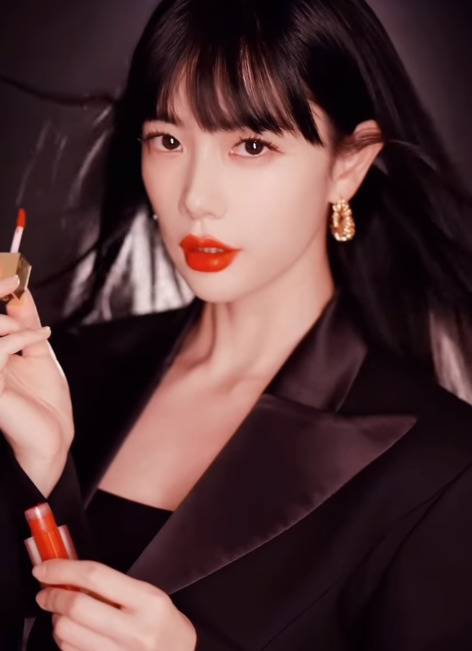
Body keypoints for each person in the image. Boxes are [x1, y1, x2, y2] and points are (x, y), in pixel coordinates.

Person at [1, 0, 472, 648]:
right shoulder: (65, 376)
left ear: (349, 165)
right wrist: (43, 474)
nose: (196, 197)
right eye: (168, 140)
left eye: (252, 145)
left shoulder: (439, 465)